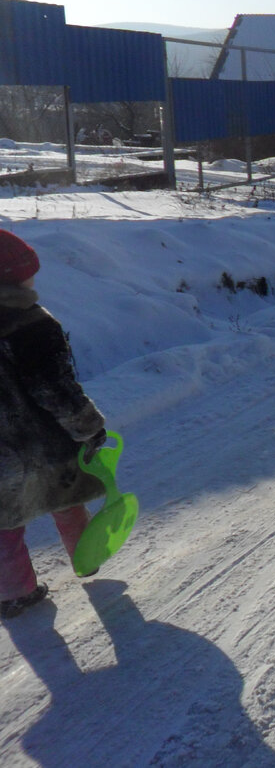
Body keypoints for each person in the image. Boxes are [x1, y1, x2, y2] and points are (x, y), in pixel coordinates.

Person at [0, 230, 107, 619]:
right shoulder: (32, 326)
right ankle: (87, 556)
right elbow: (56, 389)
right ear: (13, 279)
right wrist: (88, 427)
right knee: (68, 500)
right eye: (29, 274)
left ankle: (13, 592)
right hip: (49, 446)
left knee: (4, 524)